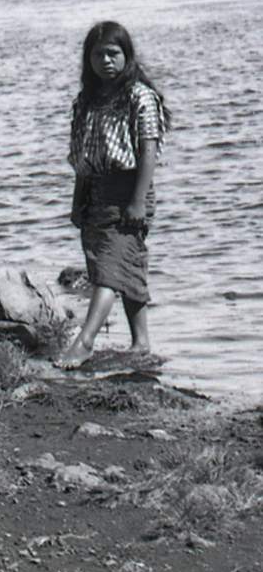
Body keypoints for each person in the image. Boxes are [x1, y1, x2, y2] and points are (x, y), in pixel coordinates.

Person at [58, 19, 171, 367]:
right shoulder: (86, 101)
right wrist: (78, 201)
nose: (106, 61)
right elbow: (83, 159)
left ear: (127, 56)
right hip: (94, 190)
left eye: (113, 53)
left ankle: (86, 341)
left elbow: (149, 150)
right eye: (98, 55)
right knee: (122, 264)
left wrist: (137, 201)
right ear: (87, 60)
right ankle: (141, 343)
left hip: (128, 189)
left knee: (110, 269)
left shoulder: (139, 96)